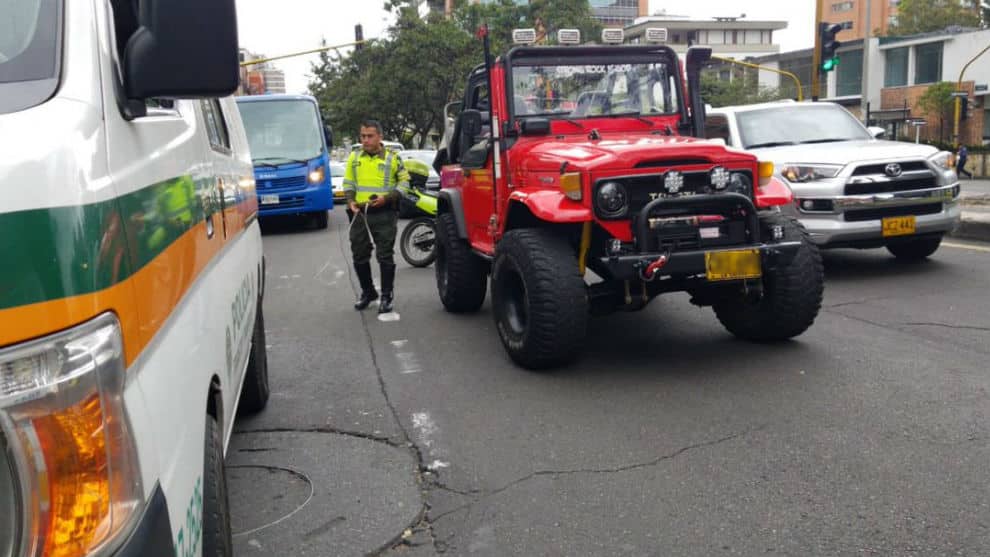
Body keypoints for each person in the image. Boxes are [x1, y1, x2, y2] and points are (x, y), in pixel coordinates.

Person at [342, 120, 410, 313]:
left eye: (370, 136)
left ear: (380, 136)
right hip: (360, 213)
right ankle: (368, 292)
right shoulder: (354, 157)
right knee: (359, 253)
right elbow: (348, 183)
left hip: (384, 213)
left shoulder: (393, 158)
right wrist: (350, 201)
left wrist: (387, 198)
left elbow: (405, 184)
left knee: (385, 255)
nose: (365, 140)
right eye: (362, 136)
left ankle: (387, 297)